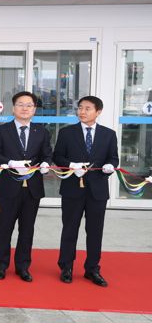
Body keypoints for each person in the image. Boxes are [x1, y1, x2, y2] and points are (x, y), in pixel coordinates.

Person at [53, 95, 119, 287]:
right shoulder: (67, 133)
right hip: (73, 189)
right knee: (70, 228)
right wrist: (71, 165)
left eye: (87, 108)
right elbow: (58, 156)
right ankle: (66, 266)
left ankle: (92, 269)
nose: (82, 111)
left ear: (98, 112)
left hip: (97, 190)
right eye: (80, 108)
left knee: (95, 231)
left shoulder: (109, 134)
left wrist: (109, 166)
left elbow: (113, 159)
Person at [0, 91, 53, 282]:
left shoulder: (41, 131)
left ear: (34, 109)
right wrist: (9, 162)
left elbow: (47, 154)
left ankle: (23, 266)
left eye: (29, 105)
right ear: (14, 108)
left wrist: (46, 164)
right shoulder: (2, 130)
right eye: (21, 104)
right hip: (9, 186)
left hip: (33, 188)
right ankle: (1, 265)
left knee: (27, 229)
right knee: (5, 227)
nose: (25, 108)